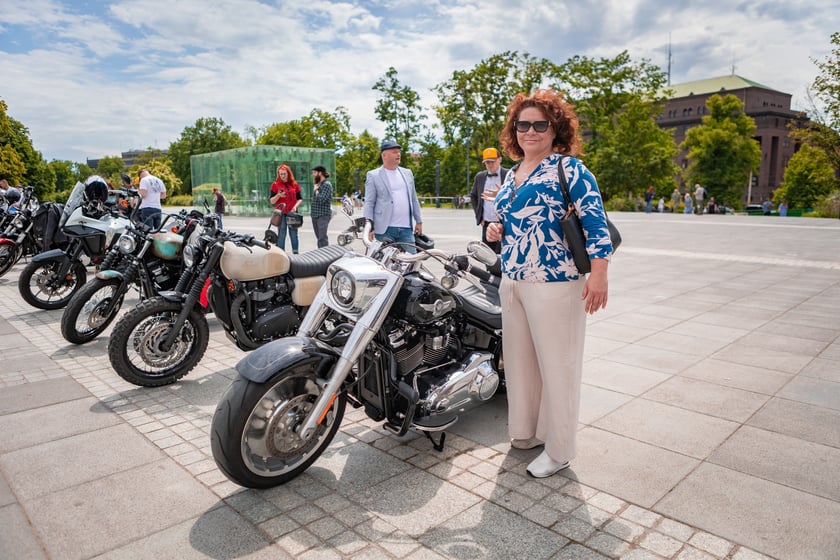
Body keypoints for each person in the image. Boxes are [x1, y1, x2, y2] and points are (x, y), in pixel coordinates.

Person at [485, 89, 612, 478]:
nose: (531, 131)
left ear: (556, 129)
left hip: (556, 282)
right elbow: (511, 221)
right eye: (523, 124)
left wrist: (599, 274)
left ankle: (559, 449)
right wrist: (496, 230)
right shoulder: (511, 174)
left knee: (559, 367)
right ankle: (527, 432)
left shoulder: (569, 169)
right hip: (513, 281)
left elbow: (595, 223)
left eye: (540, 125)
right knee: (520, 363)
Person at [363, 139, 423, 252]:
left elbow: (414, 199)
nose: (398, 154)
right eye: (394, 152)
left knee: (412, 258)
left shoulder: (407, 173)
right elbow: (369, 203)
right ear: (384, 155)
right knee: (383, 260)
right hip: (384, 229)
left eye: (399, 152)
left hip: (406, 229)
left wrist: (419, 221)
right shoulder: (373, 175)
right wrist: (369, 226)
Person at [469, 147, 509, 253]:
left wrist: (502, 195)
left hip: (504, 223)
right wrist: (479, 216)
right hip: (486, 223)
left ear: (500, 159)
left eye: (492, 161)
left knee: (504, 253)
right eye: (487, 162)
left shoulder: (509, 174)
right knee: (488, 255)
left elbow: (516, 195)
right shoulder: (480, 177)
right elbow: (473, 196)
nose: (490, 165)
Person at [269, 164, 302, 253]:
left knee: (294, 234)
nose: (282, 176)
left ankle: (295, 253)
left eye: (284, 174)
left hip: (292, 213)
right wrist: (278, 195)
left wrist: (295, 206)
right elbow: (271, 201)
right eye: (281, 174)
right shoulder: (275, 185)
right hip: (281, 213)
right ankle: (281, 253)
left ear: (288, 173)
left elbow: (300, 199)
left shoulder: (295, 184)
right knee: (282, 234)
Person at [310, 166, 333, 248]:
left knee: (322, 238)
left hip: (323, 215)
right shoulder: (318, 184)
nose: (313, 175)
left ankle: (325, 254)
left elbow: (321, 199)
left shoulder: (327, 185)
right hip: (315, 215)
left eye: (314, 173)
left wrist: (316, 190)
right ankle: (320, 253)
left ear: (320, 173)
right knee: (319, 237)